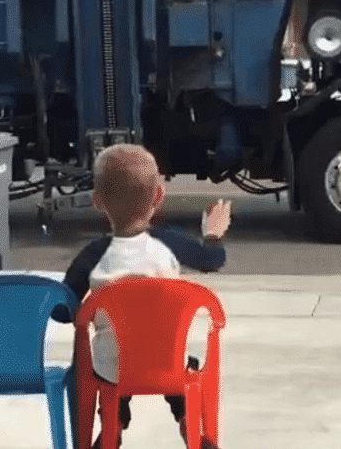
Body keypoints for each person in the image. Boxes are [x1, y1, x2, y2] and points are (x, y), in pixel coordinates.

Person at [53, 144, 231, 449]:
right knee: (181, 360)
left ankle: (114, 422)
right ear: (158, 197)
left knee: (110, 360)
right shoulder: (169, 242)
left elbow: (62, 311)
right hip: (168, 365)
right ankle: (186, 419)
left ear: (97, 202)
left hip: (114, 367)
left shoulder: (93, 255)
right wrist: (213, 234)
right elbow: (213, 260)